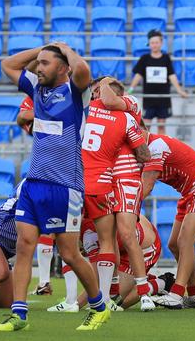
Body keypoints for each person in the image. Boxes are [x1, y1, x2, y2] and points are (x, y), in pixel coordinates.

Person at [0, 43, 109, 331]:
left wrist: (64, 49)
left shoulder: (75, 91)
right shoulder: (37, 88)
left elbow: (83, 70)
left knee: (70, 253)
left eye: (45, 63)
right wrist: (41, 50)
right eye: (38, 63)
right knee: (24, 246)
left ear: (63, 68)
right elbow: (8, 64)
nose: (38, 67)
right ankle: (18, 314)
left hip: (65, 185)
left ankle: (98, 306)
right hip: (34, 182)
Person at [81, 77, 154, 312]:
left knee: (126, 233)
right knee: (106, 238)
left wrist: (124, 143)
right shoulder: (91, 113)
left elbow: (145, 155)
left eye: (97, 91)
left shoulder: (129, 105)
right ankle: (107, 294)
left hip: (126, 178)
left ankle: (144, 293)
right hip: (106, 179)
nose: (95, 96)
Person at [141, 131, 195, 309]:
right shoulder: (145, 146)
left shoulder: (155, 146)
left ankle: (176, 294)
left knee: (185, 241)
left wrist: (127, 209)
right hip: (190, 192)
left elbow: (147, 185)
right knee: (175, 245)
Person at [15, 94, 56, 296]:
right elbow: (22, 117)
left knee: (74, 243)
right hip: (50, 169)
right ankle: (44, 282)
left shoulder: (74, 93)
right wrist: (51, 115)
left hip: (68, 170)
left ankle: (100, 293)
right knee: (49, 230)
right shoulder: (37, 93)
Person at [128, 29, 189, 135]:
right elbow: (138, 75)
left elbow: (172, 75)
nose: (154, 45)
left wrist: (179, 91)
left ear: (161, 43)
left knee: (161, 126)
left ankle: (160, 150)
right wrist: (130, 91)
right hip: (149, 98)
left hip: (163, 98)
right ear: (149, 44)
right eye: (152, 43)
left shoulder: (166, 58)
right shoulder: (144, 58)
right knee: (146, 127)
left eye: (156, 42)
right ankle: (145, 150)